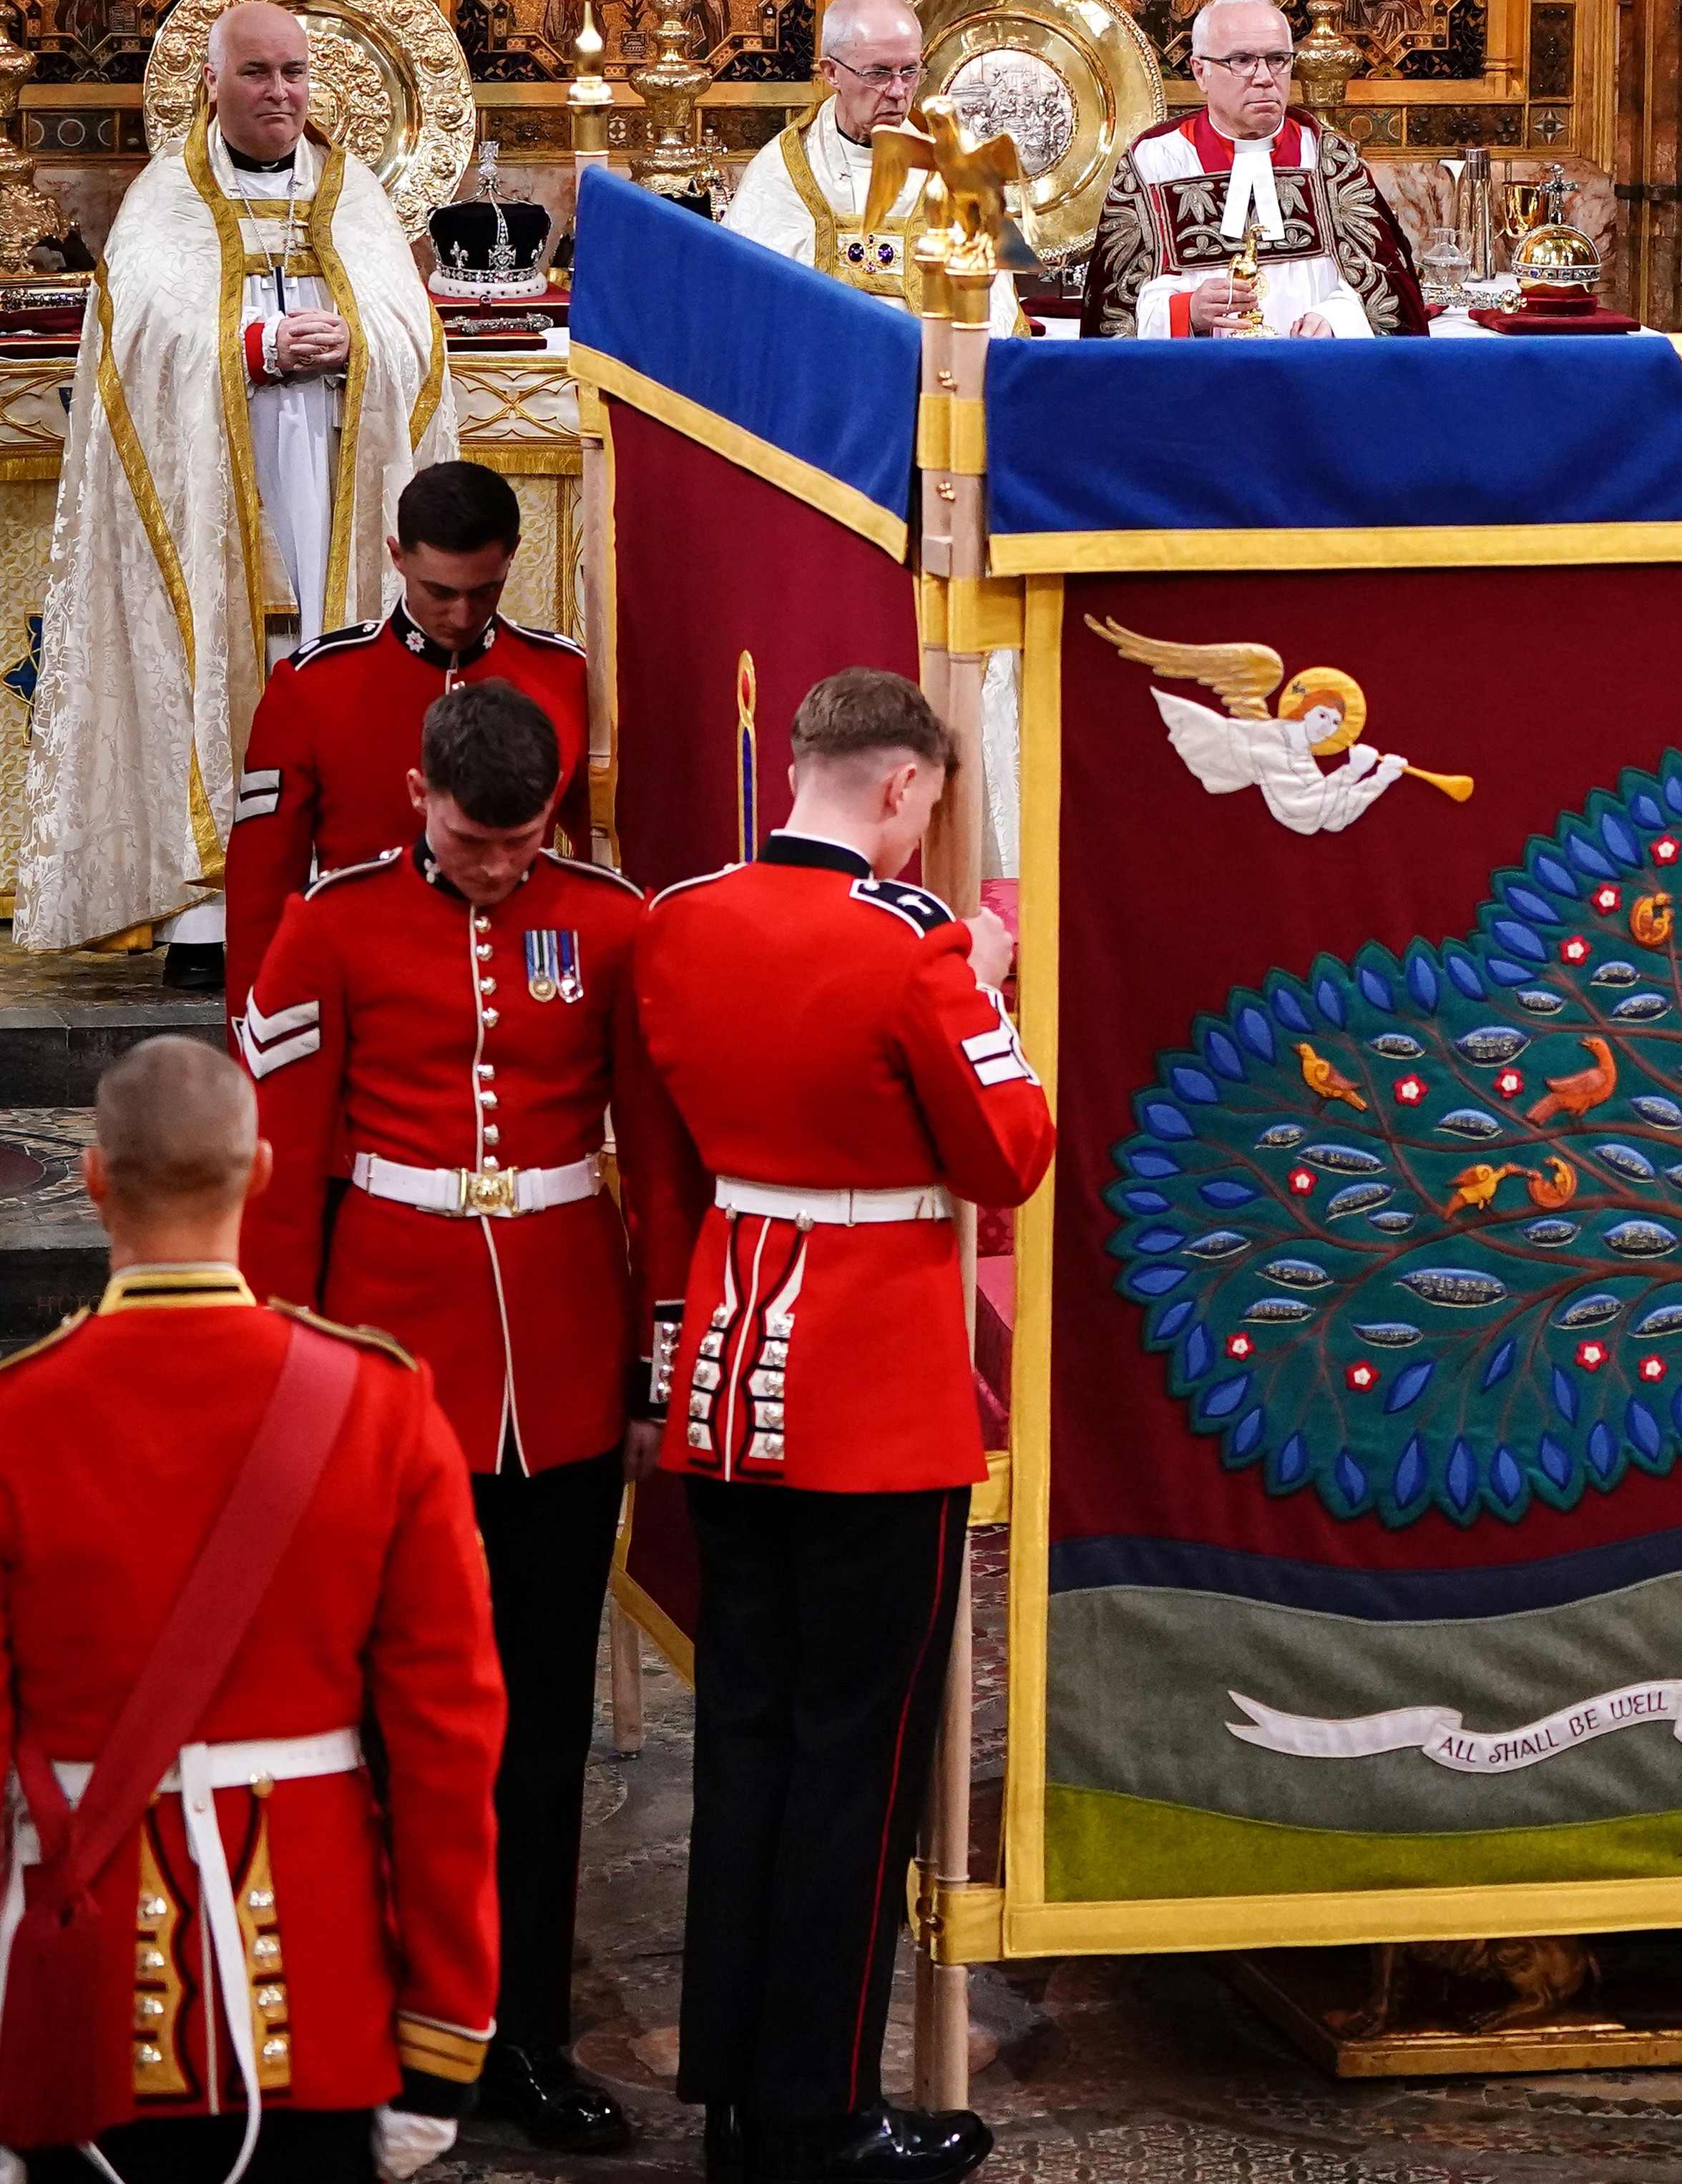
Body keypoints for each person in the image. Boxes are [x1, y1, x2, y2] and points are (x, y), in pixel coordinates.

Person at [237, 683, 686, 2153]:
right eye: (476, 840)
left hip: (556, 1363)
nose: (501, 868)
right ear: (422, 795)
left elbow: (653, 1151)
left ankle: (527, 2036)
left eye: (523, 843)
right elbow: (285, 1171)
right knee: (379, 1717)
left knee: (543, 1719)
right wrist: (284, 1375)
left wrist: (652, 1348)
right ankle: (379, 2019)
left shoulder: (610, 923)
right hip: (385, 1366)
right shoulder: (336, 925)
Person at [637, 670, 1052, 2180]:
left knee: (742, 1737)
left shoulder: (680, 916)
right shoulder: (917, 948)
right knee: (855, 1764)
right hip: (870, 1387)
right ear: (897, 788)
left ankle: (739, 2086)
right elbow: (1010, 1157)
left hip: (730, 1366)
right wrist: (988, 982)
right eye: (932, 807)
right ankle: (815, 2112)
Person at [0, 1038, 502, 2181]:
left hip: (75, 2008)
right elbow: (448, 1750)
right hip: (318, 2001)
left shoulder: (18, 1419)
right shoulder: (380, 1401)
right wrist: (445, 2038)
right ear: (263, 1172)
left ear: (91, 1178)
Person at [13, 1, 454, 976]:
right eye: (257, 73)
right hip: (210, 481)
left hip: (331, 469)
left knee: (327, 655)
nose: (281, 93)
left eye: (294, 73)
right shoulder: (167, 198)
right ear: (211, 84)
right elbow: (132, 348)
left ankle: (341, 882)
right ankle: (208, 915)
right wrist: (250, 348)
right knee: (222, 656)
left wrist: (362, 344)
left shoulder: (354, 197)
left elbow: (414, 334)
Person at [223, 461, 591, 1022]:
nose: (462, 614)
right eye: (439, 590)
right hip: (371, 991)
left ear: (513, 554)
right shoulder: (315, 686)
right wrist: (259, 1044)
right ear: (399, 557)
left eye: (485, 590)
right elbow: (261, 892)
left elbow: (605, 853)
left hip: (524, 994)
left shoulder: (564, 675)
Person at [1086, 0, 1427, 339]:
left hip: (1309, 378)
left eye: (1278, 59)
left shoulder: (1327, 159)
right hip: (1199, 383)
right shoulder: (1155, 162)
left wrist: (1335, 320)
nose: (1265, 77)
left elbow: (1385, 291)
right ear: (1200, 72)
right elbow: (1116, 311)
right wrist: (1187, 312)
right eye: (1242, 60)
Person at [721, 0, 1015, 334]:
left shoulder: (954, 170)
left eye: (910, 71)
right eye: (878, 74)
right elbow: (748, 298)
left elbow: (989, 305)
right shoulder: (784, 172)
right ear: (831, 72)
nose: (897, 90)